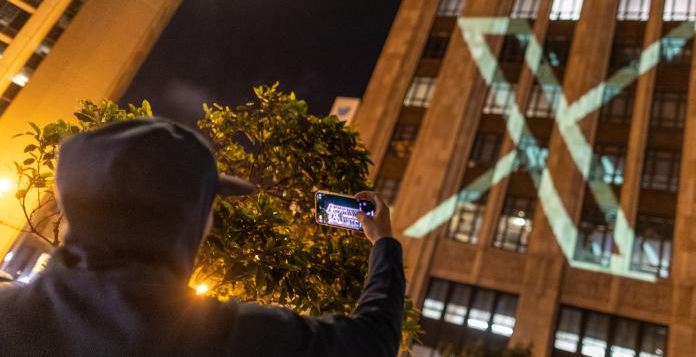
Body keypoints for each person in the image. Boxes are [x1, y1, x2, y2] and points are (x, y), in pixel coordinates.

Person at [0, 118, 404, 356]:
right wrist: (382, 241)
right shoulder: (223, 337)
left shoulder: (8, 314)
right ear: (189, 222)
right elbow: (372, 341)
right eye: (207, 207)